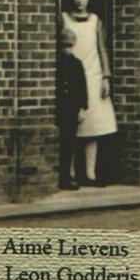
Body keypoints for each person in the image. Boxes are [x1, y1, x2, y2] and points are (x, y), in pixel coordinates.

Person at [61, 0, 117, 186]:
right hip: (74, 77)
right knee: (74, 127)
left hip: (93, 75)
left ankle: (90, 173)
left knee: (93, 126)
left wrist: (105, 77)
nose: (79, 0)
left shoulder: (95, 21)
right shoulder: (64, 18)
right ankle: (71, 173)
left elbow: (102, 49)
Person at [56, 27, 88, 191]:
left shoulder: (77, 64)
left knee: (69, 143)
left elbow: (82, 88)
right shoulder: (56, 64)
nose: (67, 50)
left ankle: (67, 176)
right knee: (60, 142)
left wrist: (82, 108)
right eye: (63, 46)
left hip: (72, 109)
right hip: (60, 108)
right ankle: (59, 176)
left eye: (70, 46)